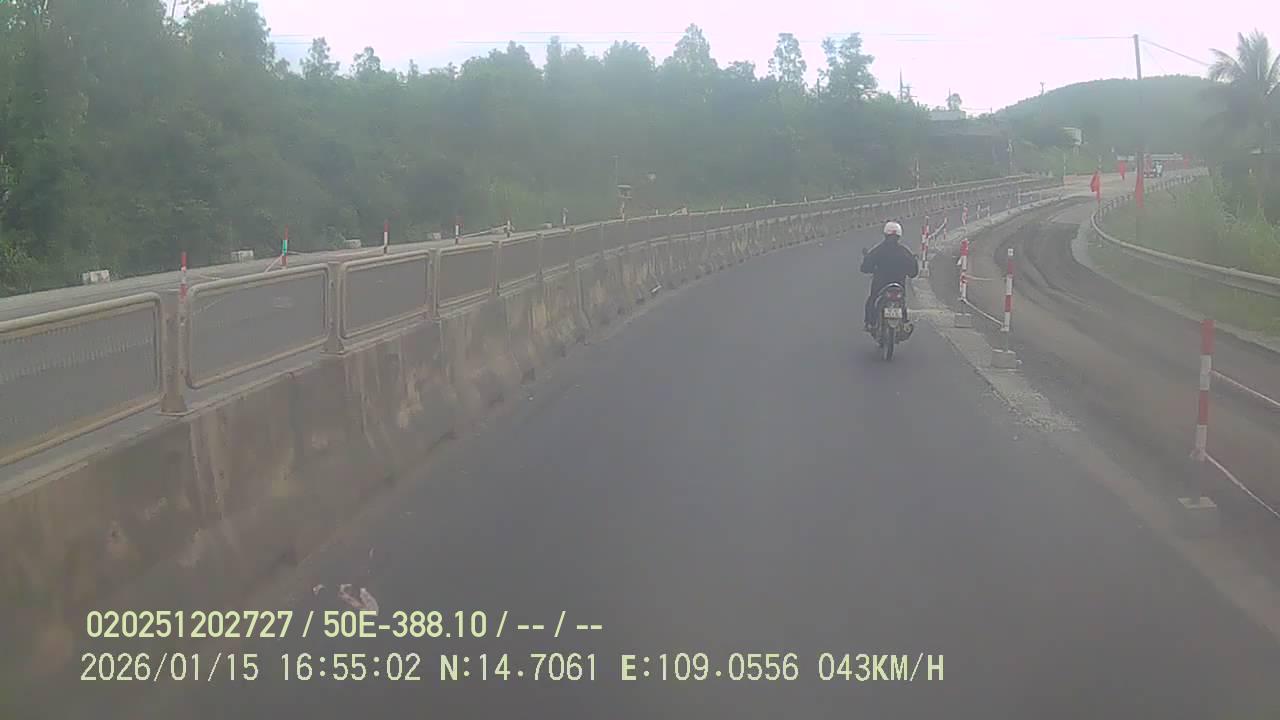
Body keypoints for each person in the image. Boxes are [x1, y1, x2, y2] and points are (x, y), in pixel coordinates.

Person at [861, 221, 919, 333]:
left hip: (880, 285)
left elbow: (865, 267)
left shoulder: (878, 250)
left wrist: (870, 267)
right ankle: (904, 321)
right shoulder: (904, 252)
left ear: (885, 234)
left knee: (872, 300)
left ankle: (869, 323)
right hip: (899, 286)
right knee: (902, 302)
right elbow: (913, 272)